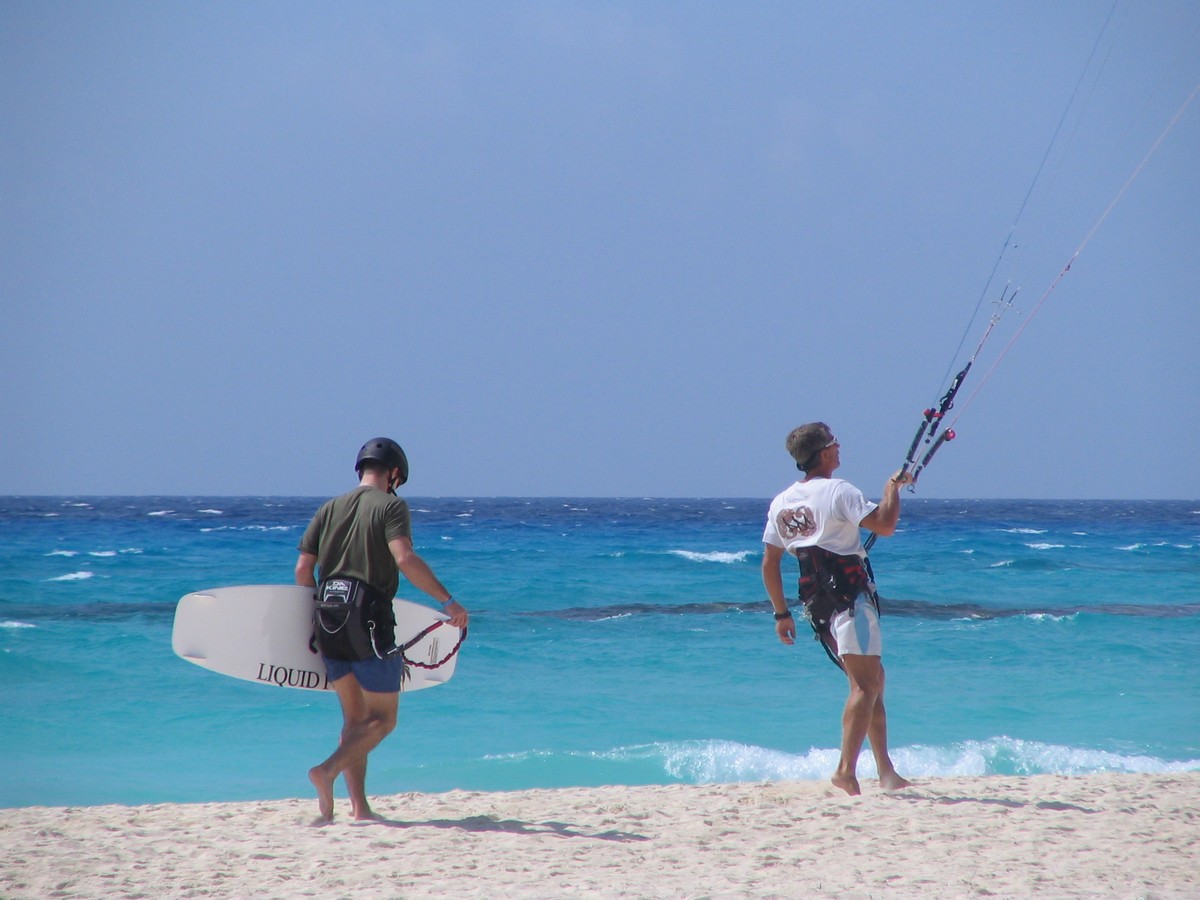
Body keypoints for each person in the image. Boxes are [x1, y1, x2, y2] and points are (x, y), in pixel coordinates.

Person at [295, 437, 469, 822]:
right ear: (393, 473)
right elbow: (404, 558)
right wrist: (448, 602)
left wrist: (316, 616)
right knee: (383, 720)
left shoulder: (329, 508)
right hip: (368, 619)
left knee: (354, 721)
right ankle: (325, 772)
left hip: (327, 617)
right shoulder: (391, 506)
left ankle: (360, 809)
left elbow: (303, 571)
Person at [761, 422, 913, 796]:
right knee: (865, 685)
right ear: (824, 453)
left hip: (815, 604)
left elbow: (769, 563)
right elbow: (886, 524)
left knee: (872, 679)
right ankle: (845, 770)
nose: (839, 447)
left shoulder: (781, 501)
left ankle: (886, 771)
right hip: (848, 597)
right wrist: (891, 489)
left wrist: (781, 615)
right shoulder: (839, 490)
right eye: (834, 443)